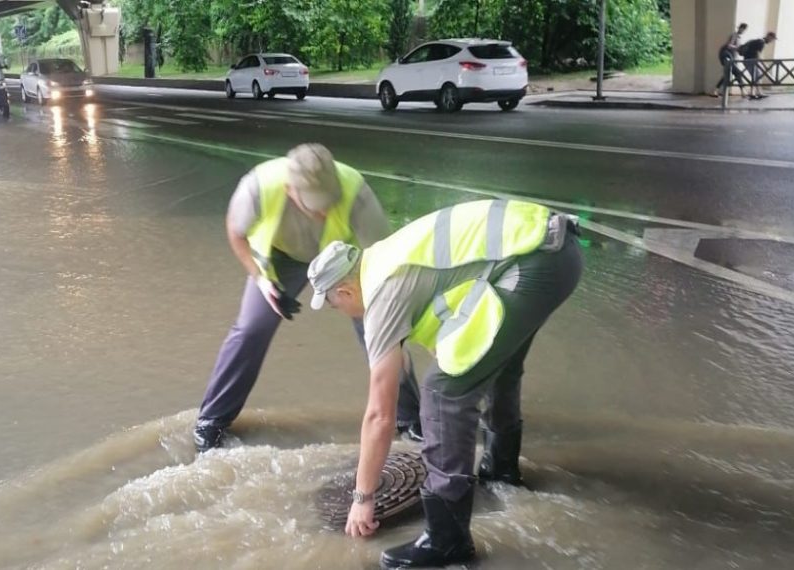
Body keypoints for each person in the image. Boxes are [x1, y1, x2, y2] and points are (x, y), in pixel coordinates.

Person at [307, 199, 582, 568]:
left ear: (344, 292)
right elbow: (452, 294)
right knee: (494, 364)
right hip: (556, 250)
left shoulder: (382, 292)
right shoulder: (385, 258)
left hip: (535, 262)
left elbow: (379, 416)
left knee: (443, 392)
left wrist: (363, 498)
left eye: (334, 306)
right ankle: (502, 471)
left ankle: (446, 539)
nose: (341, 312)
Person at [193, 144, 422, 452]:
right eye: (315, 205)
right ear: (290, 190)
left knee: (381, 330)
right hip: (282, 258)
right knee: (251, 329)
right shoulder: (257, 188)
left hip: (341, 260)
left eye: (329, 202)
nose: (324, 211)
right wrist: (260, 279)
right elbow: (236, 232)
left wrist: (380, 312)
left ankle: (410, 419)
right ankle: (211, 422)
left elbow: (383, 257)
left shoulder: (356, 193)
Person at [711, 23, 748, 98]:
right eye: (743, 29)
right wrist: (738, 48)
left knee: (728, 74)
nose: (743, 31)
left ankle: (715, 90)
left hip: (731, 57)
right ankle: (743, 91)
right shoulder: (734, 35)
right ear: (740, 28)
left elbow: (736, 49)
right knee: (737, 72)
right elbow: (729, 45)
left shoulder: (739, 37)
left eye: (744, 30)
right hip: (727, 55)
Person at [740, 31, 777, 100]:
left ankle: (756, 92)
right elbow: (758, 54)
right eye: (772, 39)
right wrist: (764, 65)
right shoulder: (761, 43)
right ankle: (754, 93)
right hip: (750, 61)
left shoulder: (759, 41)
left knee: (756, 76)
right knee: (756, 76)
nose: (771, 41)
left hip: (748, 60)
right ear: (769, 36)